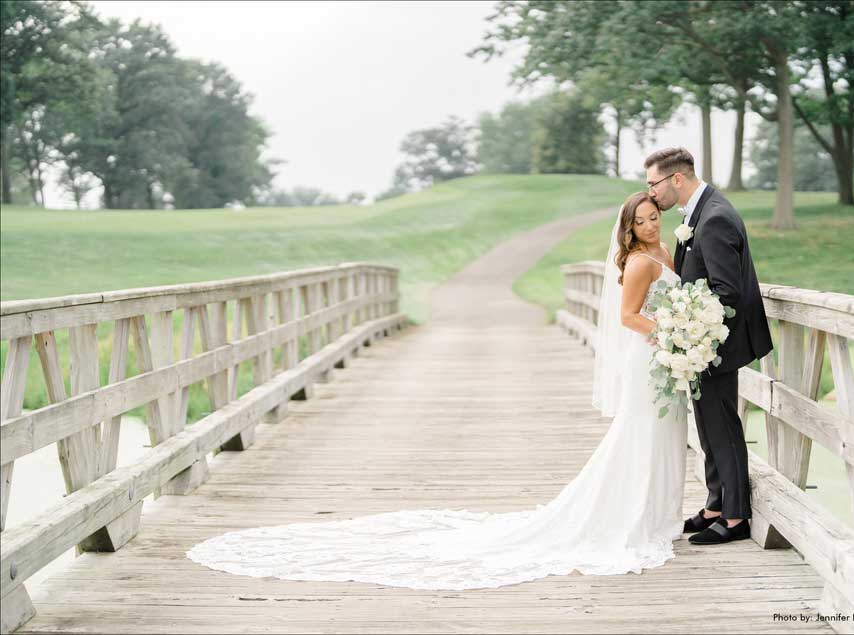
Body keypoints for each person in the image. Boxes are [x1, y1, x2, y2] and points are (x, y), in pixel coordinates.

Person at [185, 191, 690, 590]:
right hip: (652, 354)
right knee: (639, 432)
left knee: (663, 432)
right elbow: (628, 317)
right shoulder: (641, 263)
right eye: (641, 220)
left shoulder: (661, 251)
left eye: (653, 217)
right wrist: (671, 334)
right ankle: (632, 517)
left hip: (663, 356)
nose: (650, 224)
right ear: (627, 227)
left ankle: (656, 515)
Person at [644, 147, 773, 545]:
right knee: (707, 425)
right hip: (704, 343)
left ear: (676, 179)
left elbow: (726, 292)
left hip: (718, 344)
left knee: (723, 427)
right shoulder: (697, 215)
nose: (650, 194)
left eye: (653, 184)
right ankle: (716, 504)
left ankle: (736, 517)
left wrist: (687, 329)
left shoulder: (715, 218)